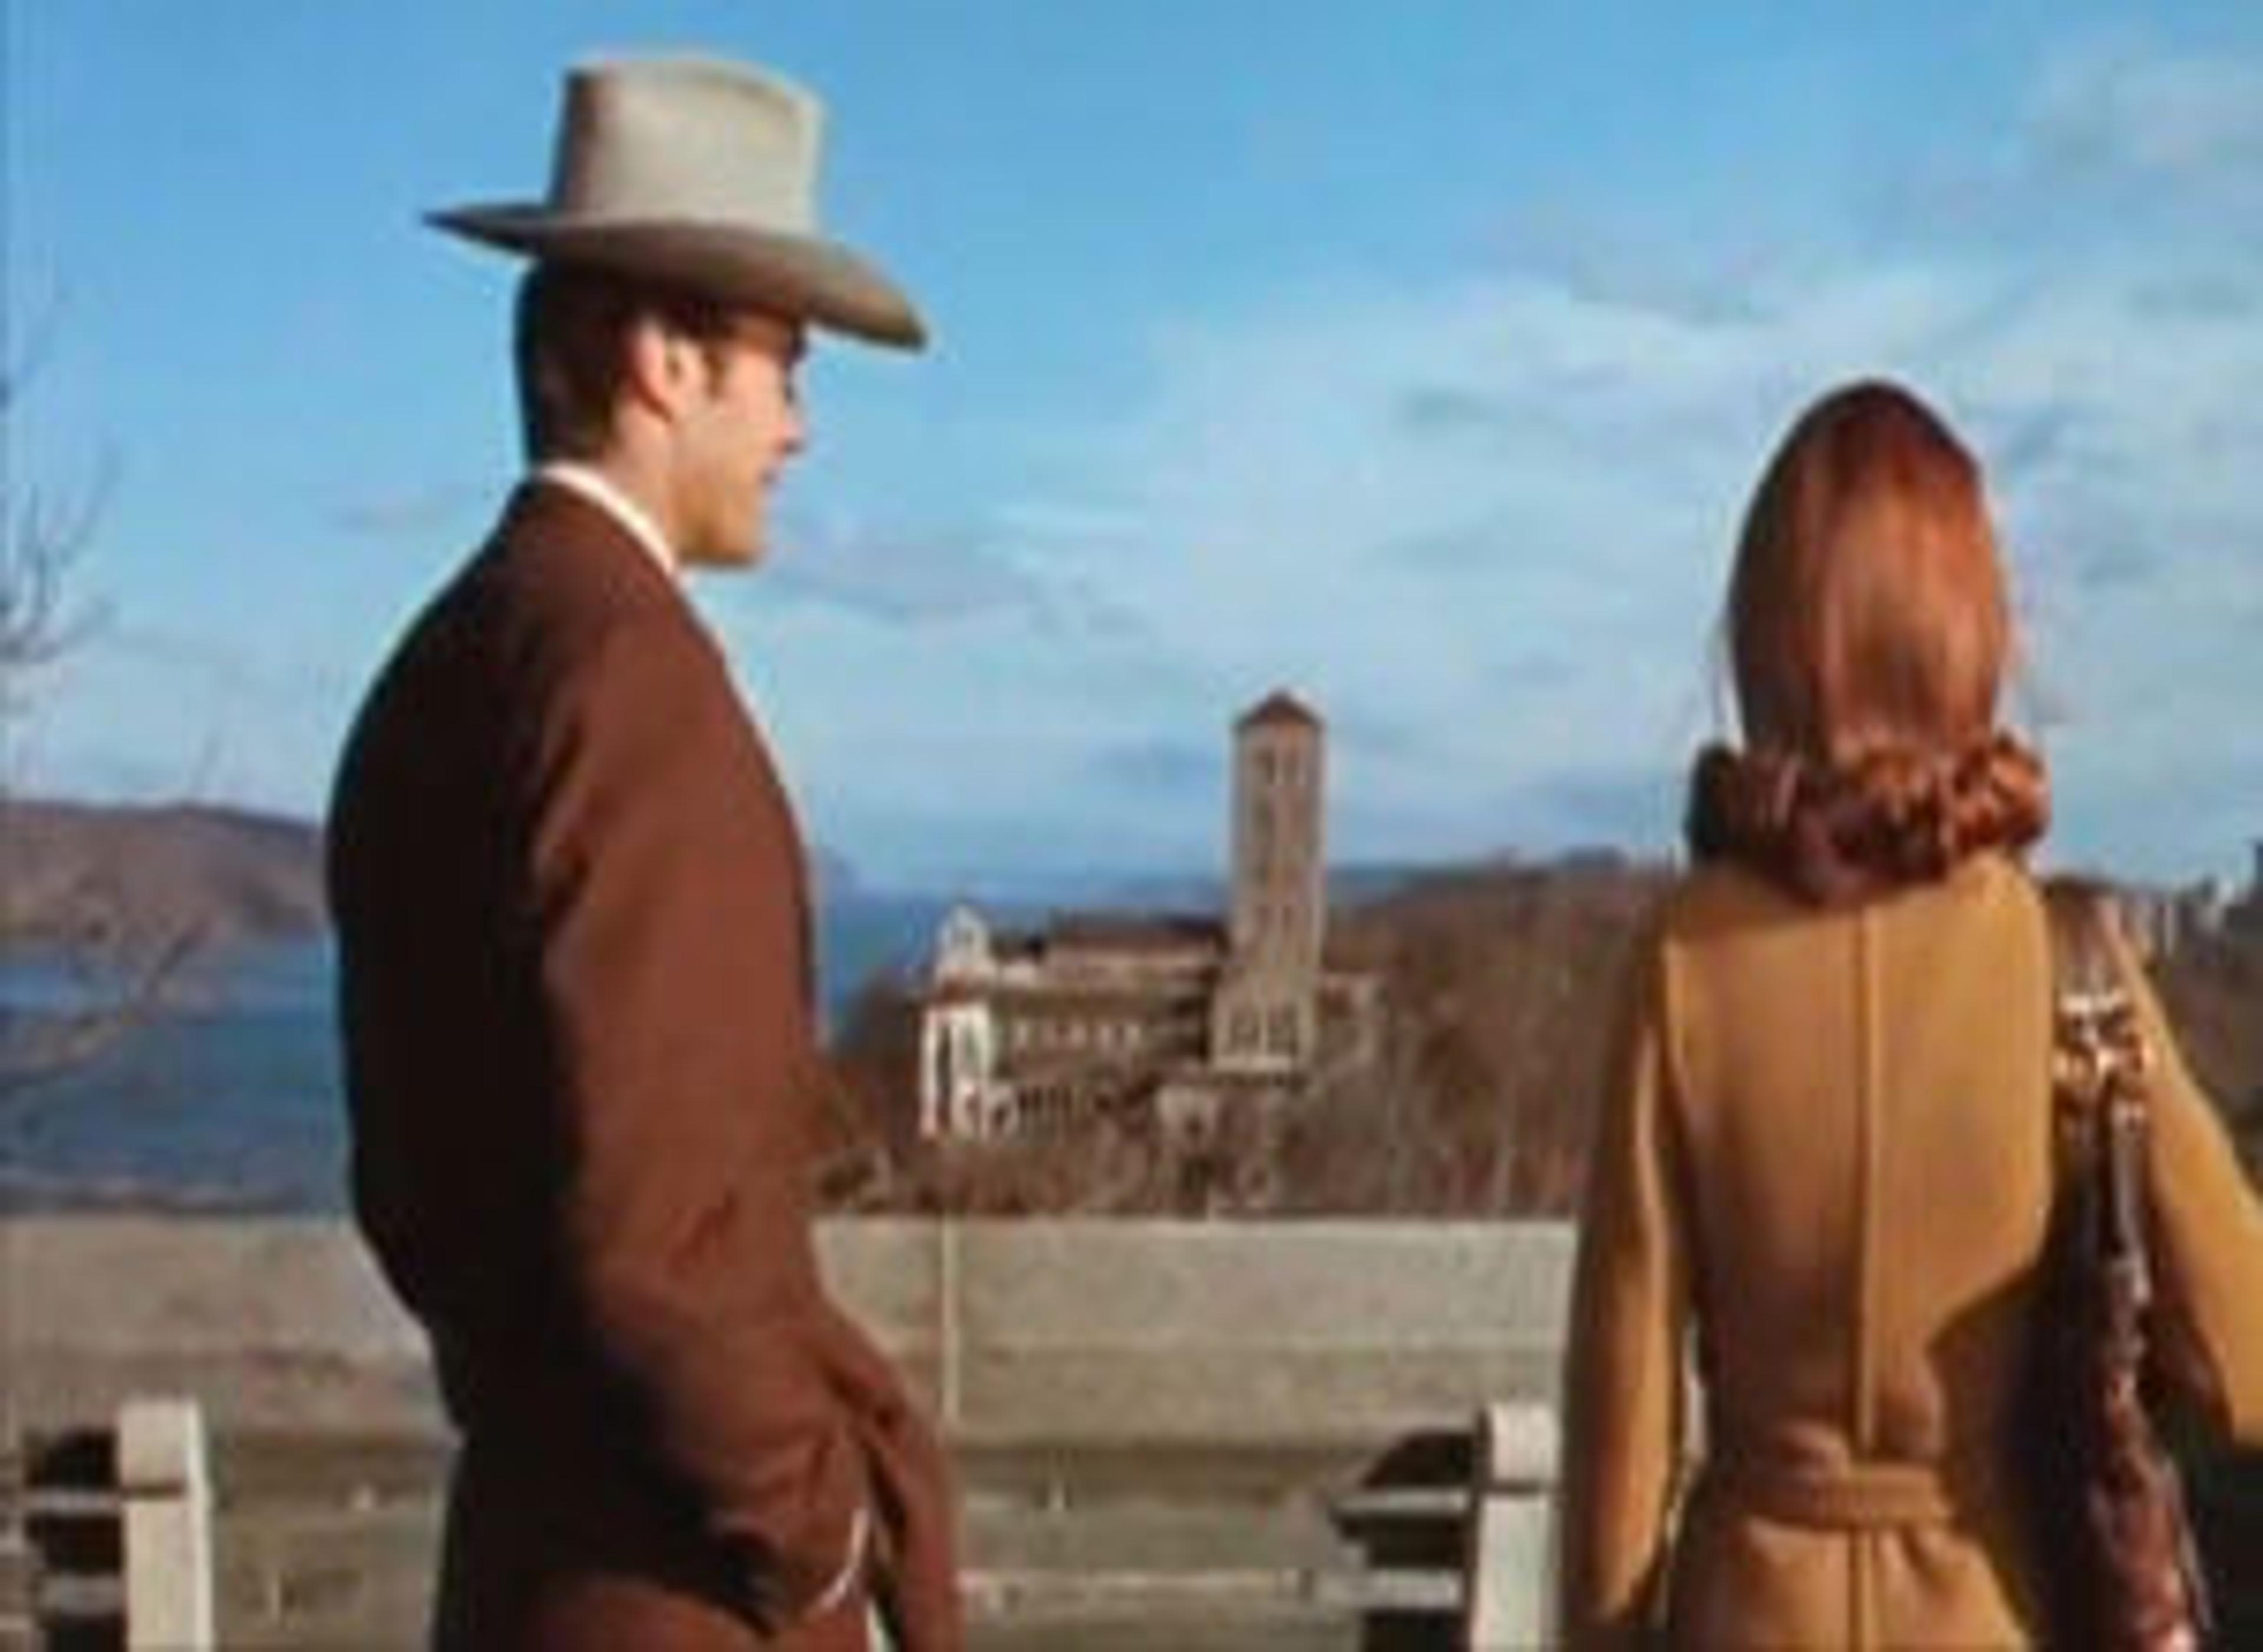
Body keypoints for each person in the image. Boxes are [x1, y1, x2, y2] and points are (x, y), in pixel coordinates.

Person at [327, 57, 960, 1652]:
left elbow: (410, 1196)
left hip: (526, 1568)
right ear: (668, 360)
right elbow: (663, 1242)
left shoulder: (440, 670)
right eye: (784, 368)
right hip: (675, 1595)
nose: (801, 429)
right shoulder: (633, 689)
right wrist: (815, 1545)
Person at [1555, 378, 2263, 1647]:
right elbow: (2245, 1349)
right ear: (1972, 634)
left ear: (1768, 642)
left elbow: (1624, 1435)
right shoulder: (2070, 959)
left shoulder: (1685, 964)